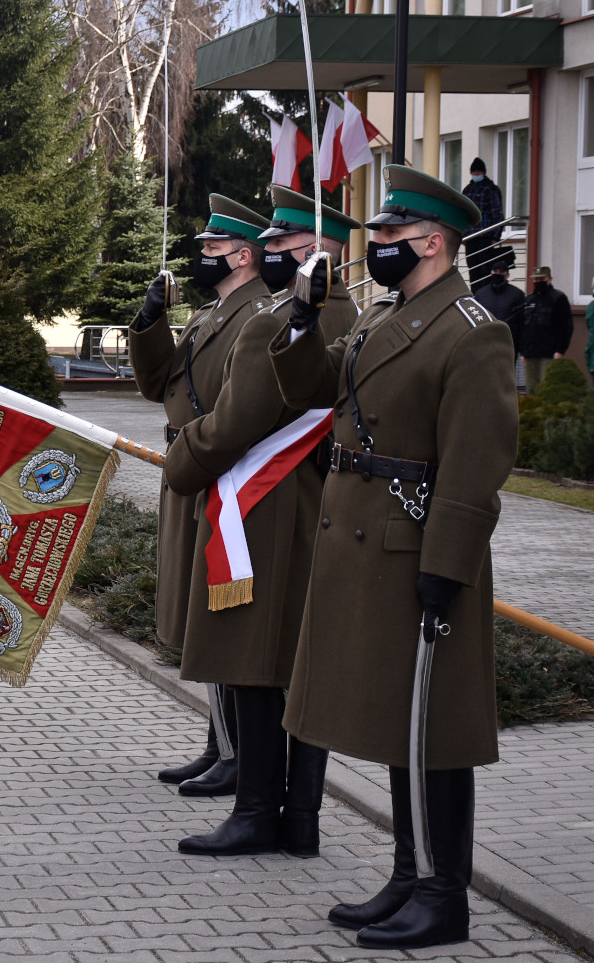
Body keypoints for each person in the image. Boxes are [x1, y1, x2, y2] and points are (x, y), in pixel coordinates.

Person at [269, 166, 517, 950]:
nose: (372, 248)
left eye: (387, 238)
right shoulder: (387, 317)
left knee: (434, 726)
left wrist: (447, 563)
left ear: (434, 243)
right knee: (398, 720)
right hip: (368, 542)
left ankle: (445, 895)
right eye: (376, 237)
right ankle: (409, 876)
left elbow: (478, 460)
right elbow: (317, 391)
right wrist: (304, 320)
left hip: (419, 547)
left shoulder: (473, 329)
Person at [164, 186, 361, 858]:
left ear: (313, 250)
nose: (267, 251)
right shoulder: (352, 315)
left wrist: (182, 461)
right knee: (298, 669)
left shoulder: (281, 320)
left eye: (279, 243)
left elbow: (239, 419)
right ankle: (297, 819)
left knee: (253, 663)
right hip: (312, 508)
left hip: (260, 510)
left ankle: (254, 812)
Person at [130, 195, 272, 799]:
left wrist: (193, 456)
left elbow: (239, 407)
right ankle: (219, 742)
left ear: (243, 256)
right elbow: (156, 383)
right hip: (188, 464)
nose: (202, 257)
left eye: (213, 249)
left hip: (216, 471)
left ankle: (235, 752)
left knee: (217, 606)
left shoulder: (255, 314)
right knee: (197, 605)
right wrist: (150, 319)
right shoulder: (213, 313)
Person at [520, 266, 573, 394]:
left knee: (547, 388)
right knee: (531, 389)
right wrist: (523, 351)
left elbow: (566, 326)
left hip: (549, 353)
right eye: (536, 279)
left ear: (550, 279)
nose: (538, 282)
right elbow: (524, 327)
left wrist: (560, 350)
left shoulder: (558, 298)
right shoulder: (529, 300)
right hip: (530, 352)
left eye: (542, 279)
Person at [471, 246, 523, 360]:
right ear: (491, 272)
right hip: (485, 342)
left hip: (508, 343)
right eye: (495, 271)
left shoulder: (517, 294)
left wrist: (521, 347)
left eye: (501, 272)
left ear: (507, 275)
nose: (497, 274)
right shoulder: (480, 294)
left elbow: (522, 323)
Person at [461, 158, 503, 286]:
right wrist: (463, 235)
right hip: (470, 236)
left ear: (483, 173)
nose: (476, 175)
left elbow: (497, 213)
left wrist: (496, 235)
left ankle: (484, 296)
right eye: (474, 173)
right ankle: (475, 295)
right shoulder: (467, 190)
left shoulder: (491, 189)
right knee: (473, 270)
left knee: (485, 269)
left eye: (478, 173)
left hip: (485, 236)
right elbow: (463, 213)